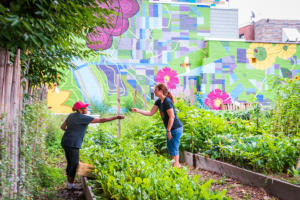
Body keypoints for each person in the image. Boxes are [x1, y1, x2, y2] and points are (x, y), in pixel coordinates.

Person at [60, 101, 125, 190]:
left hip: (65, 141)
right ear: (80, 109)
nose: (87, 109)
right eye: (85, 108)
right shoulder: (83, 118)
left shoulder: (71, 116)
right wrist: (116, 117)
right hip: (73, 144)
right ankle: (70, 185)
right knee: (74, 164)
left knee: (70, 162)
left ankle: (69, 183)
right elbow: (101, 120)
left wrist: (71, 131)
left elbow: (62, 127)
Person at [131, 83, 183, 168]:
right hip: (171, 129)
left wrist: (169, 130)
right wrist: (138, 110)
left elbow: (172, 117)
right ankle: (177, 166)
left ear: (161, 91)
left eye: (155, 90)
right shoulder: (159, 101)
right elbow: (151, 113)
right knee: (171, 148)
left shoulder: (167, 102)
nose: (154, 91)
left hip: (175, 128)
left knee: (174, 149)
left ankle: (176, 167)